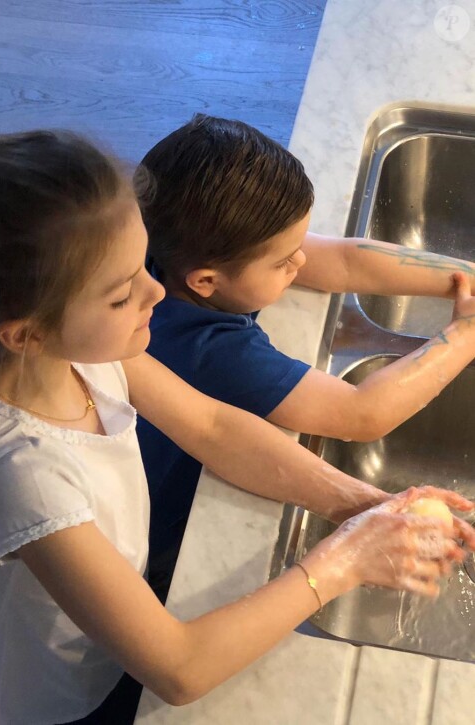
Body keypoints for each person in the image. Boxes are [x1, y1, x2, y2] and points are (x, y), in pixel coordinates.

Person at [0, 125, 472, 725]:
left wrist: (359, 502)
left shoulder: (69, 350)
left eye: (142, 262)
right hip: (56, 704)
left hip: (107, 639)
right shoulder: (22, 473)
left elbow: (212, 428)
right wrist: (342, 562)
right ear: (27, 332)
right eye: (122, 294)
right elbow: (178, 667)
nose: (155, 291)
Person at [137, 113, 475, 602]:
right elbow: (362, 414)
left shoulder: (176, 246)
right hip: (168, 528)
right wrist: (463, 337)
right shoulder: (208, 350)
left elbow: (342, 259)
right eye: (282, 260)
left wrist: (467, 277)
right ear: (206, 281)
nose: (300, 263)